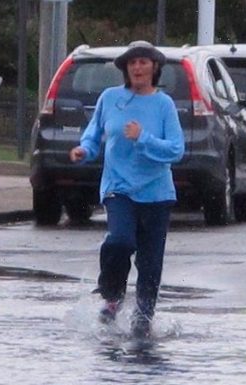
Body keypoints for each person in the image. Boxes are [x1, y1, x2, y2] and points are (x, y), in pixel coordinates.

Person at [69, 41, 185, 338]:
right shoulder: (110, 98)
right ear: (125, 69)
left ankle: (143, 321)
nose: (137, 68)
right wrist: (84, 150)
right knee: (119, 241)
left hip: (157, 194)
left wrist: (143, 137)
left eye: (143, 62)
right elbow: (94, 135)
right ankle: (112, 295)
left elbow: (176, 149)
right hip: (118, 188)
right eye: (132, 63)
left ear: (154, 68)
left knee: (150, 263)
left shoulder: (164, 105)